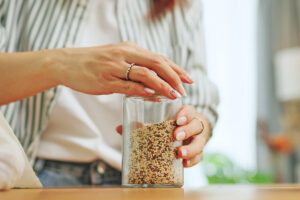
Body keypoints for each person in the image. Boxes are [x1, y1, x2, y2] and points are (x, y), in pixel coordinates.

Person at [0, 0, 219, 186]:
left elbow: (199, 98)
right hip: (31, 175)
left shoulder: (180, 6)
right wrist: (60, 65)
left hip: (141, 180)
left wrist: (197, 126)